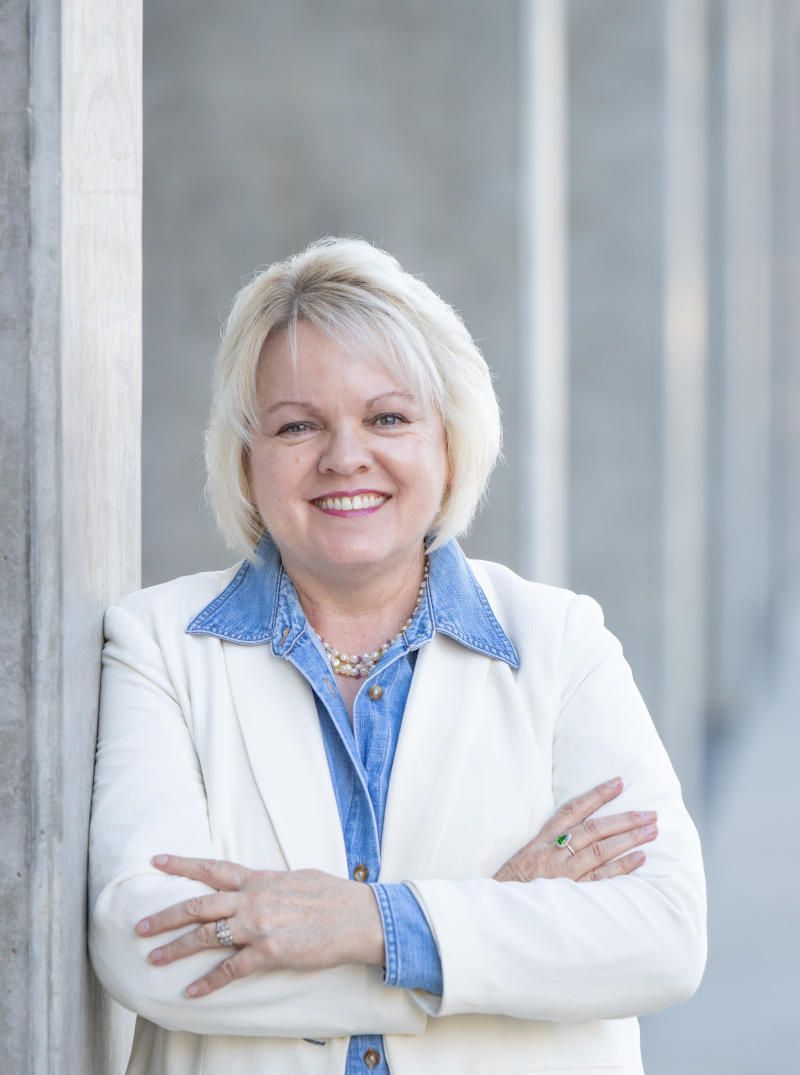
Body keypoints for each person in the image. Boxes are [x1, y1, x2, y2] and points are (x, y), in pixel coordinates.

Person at [88, 236, 707, 1075]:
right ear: (246, 457)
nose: (346, 456)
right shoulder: (156, 644)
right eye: (298, 425)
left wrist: (366, 922)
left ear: (448, 441)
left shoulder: (562, 643)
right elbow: (146, 945)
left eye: (388, 417)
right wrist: (472, 935)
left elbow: (663, 932)